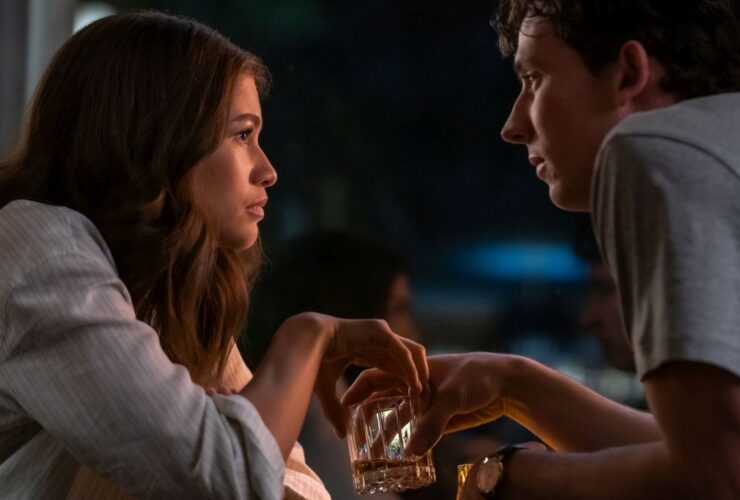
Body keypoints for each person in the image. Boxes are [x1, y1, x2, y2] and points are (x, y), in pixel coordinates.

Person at [0, 12, 428, 499]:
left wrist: (232, 427)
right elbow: (236, 476)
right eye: (243, 135)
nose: (268, 171)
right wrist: (308, 336)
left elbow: (299, 486)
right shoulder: (34, 246)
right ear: (159, 137)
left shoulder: (168, 292)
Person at [343, 1, 740, 498]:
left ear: (627, 73)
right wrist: (515, 386)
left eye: (533, 78)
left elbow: (715, 476)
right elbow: (714, 448)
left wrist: (507, 479)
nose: (513, 125)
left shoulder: (649, 152)